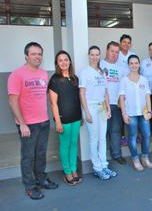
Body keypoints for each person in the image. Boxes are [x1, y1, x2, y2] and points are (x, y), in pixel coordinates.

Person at [8, 42, 58, 200]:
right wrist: (22, 123)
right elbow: (13, 101)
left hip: (43, 121)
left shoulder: (44, 74)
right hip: (27, 124)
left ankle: (41, 179)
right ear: (26, 55)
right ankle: (30, 186)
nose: (37, 57)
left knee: (41, 154)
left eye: (40, 54)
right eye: (34, 54)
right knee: (28, 156)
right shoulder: (17, 75)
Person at [79, 46, 117, 180]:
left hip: (102, 108)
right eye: (92, 54)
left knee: (102, 139)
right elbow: (82, 93)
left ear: (99, 55)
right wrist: (87, 112)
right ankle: (97, 168)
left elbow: (105, 91)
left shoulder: (101, 72)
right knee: (94, 139)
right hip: (91, 108)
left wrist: (108, 108)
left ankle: (104, 165)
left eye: (97, 54)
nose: (95, 57)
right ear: (89, 55)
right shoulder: (84, 72)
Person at [48, 51, 83, 186]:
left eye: (66, 60)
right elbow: (53, 103)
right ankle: (67, 171)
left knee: (74, 143)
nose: (63, 62)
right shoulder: (54, 80)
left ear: (69, 61)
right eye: (60, 60)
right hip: (63, 120)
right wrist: (58, 121)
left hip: (75, 118)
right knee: (65, 144)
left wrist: (81, 116)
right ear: (57, 63)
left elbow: (78, 99)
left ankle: (74, 170)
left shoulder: (75, 78)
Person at [119, 55, 152, 171]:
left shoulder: (143, 79)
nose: (134, 65)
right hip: (131, 113)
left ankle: (145, 157)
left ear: (139, 65)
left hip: (143, 113)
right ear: (128, 65)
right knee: (132, 136)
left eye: (136, 63)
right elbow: (122, 98)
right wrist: (124, 113)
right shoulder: (124, 80)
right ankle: (135, 159)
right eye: (131, 63)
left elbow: (147, 96)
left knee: (146, 135)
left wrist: (149, 111)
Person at [100, 41, 126, 165]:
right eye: (112, 51)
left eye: (116, 52)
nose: (114, 54)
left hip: (116, 104)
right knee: (102, 132)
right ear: (106, 51)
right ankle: (101, 157)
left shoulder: (121, 69)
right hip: (102, 104)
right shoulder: (99, 65)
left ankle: (116, 154)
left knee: (116, 130)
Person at [115, 34, 139, 146]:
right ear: (120, 43)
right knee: (122, 113)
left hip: (131, 87)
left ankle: (134, 134)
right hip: (119, 87)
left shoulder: (132, 55)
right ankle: (122, 136)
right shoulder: (117, 55)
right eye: (124, 42)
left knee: (133, 112)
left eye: (128, 42)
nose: (126, 44)